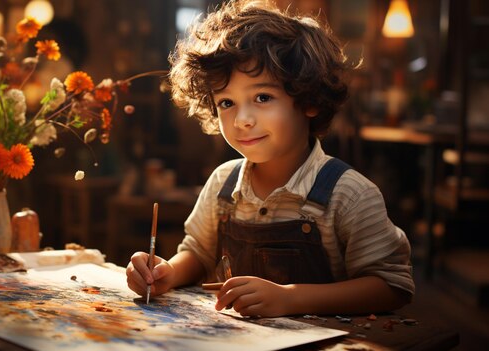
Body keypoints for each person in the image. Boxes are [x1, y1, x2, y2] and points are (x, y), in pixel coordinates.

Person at [126, 0, 414, 317]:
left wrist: (291, 298)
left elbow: (392, 287)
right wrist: (167, 273)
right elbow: (197, 253)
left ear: (310, 100)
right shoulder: (223, 183)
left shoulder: (349, 194)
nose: (242, 120)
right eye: (226, 103)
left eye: (262, 97)